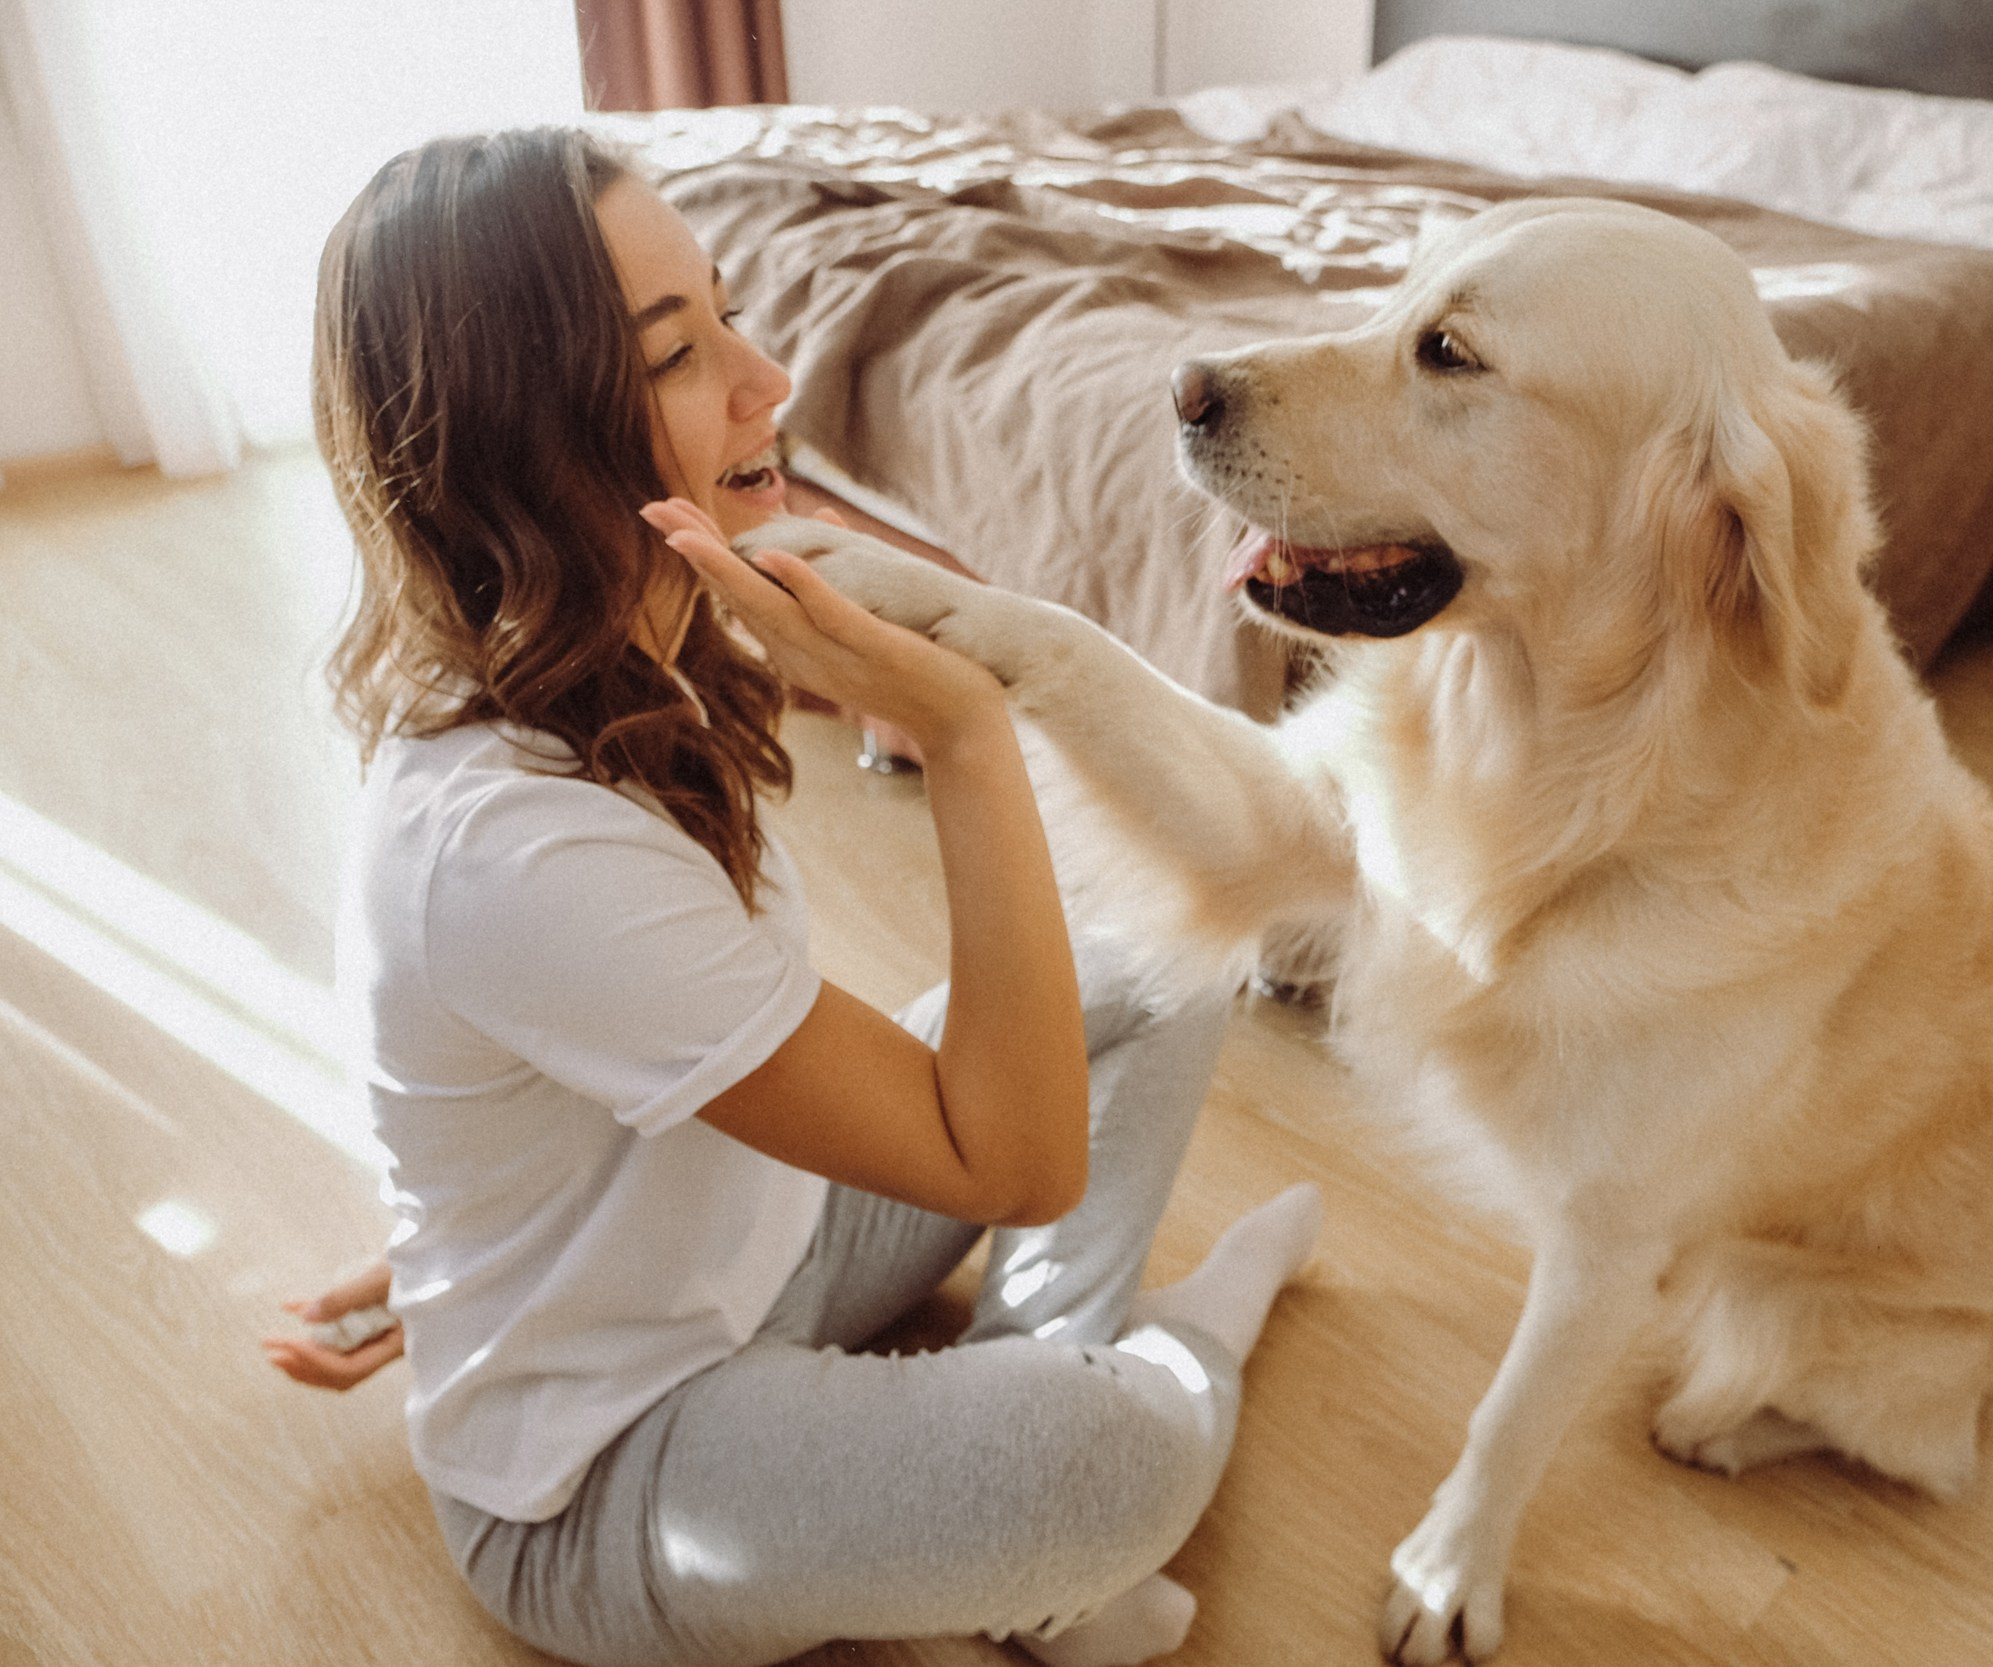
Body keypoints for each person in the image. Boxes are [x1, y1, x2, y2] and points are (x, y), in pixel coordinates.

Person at [267, 125, 1320, 1667]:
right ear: (523, 446)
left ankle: (1035, 1417)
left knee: (1181, 943)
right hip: (607, 1473)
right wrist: (966, 733)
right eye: (678, 355)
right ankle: (1143, 1378)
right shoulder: (516, 844)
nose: (768, 382)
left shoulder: (635, 641)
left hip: (767, 1235)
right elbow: (1019, 1165)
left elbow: (561, 1081)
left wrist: (460, 1263)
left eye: (730, 311)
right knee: (1103, 1461)